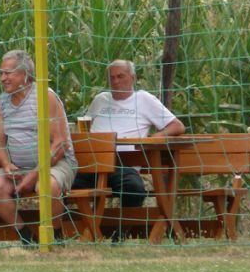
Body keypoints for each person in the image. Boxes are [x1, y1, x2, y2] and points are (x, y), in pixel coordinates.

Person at [0, 50, 76, 245]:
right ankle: (26, 237)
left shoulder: (45, 96)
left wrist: (34, 175)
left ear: (25, 74)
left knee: (46, 186)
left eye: (8, 73)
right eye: (1, 73)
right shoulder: (1, 102)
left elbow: (60, 144)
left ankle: (56, 236)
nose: (3, 78)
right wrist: (6, 164)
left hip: (55, 163)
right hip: (20, 167)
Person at [72, 59, 186, 208]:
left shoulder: (143, 99)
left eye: (120, 76)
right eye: (112, 77)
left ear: (133, 78)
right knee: (62, 185)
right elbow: (85, 128)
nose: (115, 81)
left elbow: (177, 126)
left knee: (134, 190)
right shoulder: (100, 99)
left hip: (123, 165)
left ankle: (124, 223)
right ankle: (79, 221)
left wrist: (152, 138)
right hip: (91, 164)